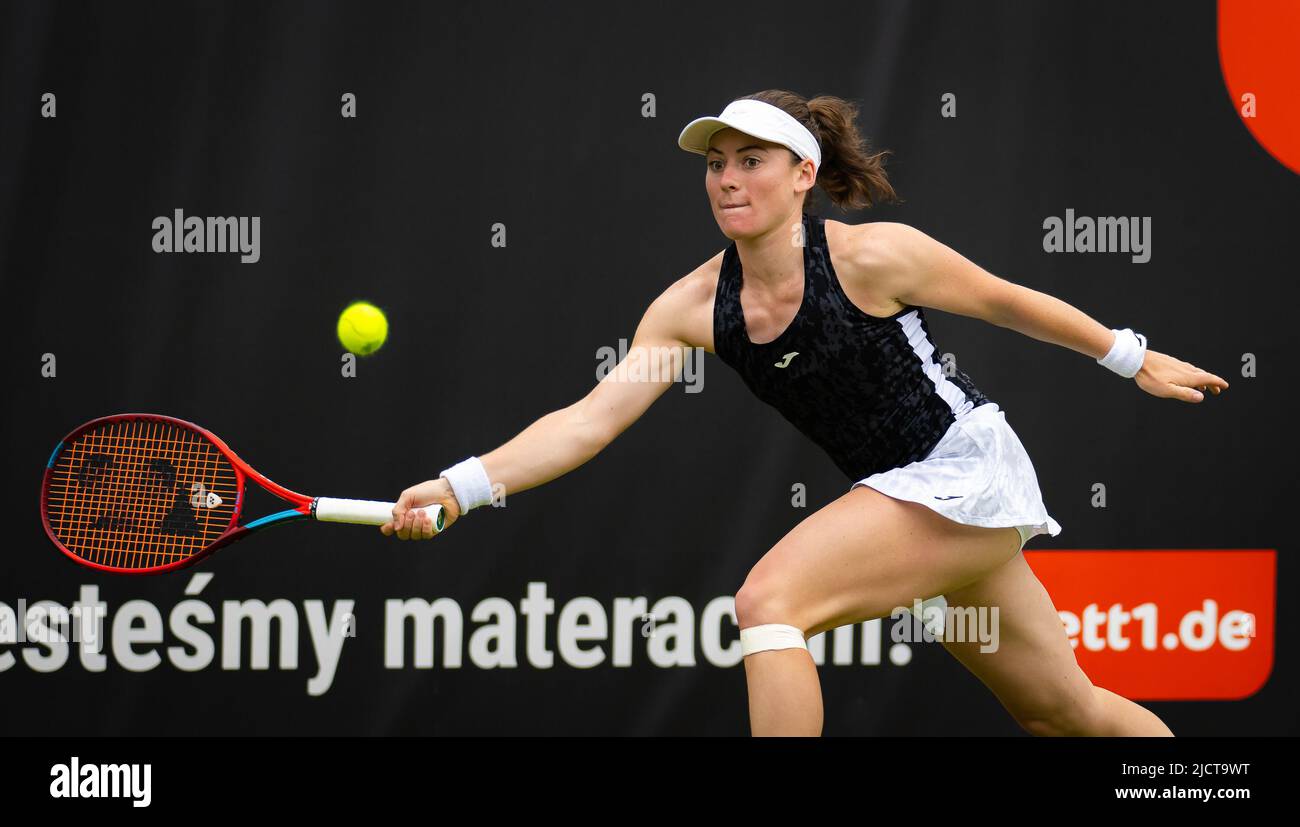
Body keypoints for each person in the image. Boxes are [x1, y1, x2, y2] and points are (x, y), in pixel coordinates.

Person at [380, 89, 1229, 736]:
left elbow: (1006, 301)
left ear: (803, 174)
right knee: (1063, 714)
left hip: (964, 473)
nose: (727, 178)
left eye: (752, 160)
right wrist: (460, 485)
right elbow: (587, 420)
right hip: (909, 502)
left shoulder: (872, 255)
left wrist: (1131, 355)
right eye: (717, 163)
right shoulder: (689, 307)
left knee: (769, 602)